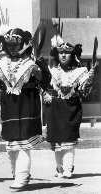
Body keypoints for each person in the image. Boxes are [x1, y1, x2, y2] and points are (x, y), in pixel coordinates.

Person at [0, 28, 51, 189]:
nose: (12, 48)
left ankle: (21, 178)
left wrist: (39, 72)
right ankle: (18, 174)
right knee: (11, 145)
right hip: (9, 107)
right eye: (9, 45)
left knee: (23, 144)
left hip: (27, 106)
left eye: (16, 45)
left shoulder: (33, 62)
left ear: (24, 44)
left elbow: (46, 81)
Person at [43, 37, 98, 179]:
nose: (63, 55)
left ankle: (68, 169)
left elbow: (84, 92)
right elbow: (45, 88)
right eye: (60, 52)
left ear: (72, 55)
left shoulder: (80, 72)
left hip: (71, 110)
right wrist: (46, 95)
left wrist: (90, 78)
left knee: (68, 140)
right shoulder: (52, 71)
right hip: (54, 109)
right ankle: (60, 169)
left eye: (67, 52)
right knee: (56, 141)